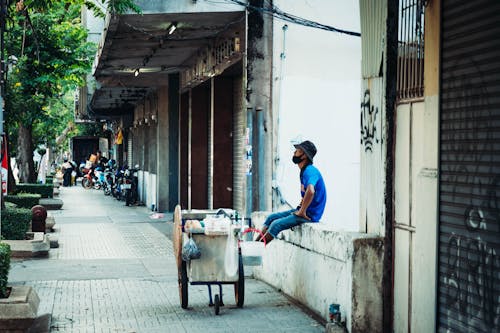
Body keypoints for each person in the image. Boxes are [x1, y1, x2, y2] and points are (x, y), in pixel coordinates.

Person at [258, 140, 327, 244]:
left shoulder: (310, 170)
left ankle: (256, 251)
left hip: (310, 215)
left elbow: (311, 191)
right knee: (270, 218)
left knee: (275, 225)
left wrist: (302, 211)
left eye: (298, 150)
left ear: (304, 155)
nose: (294, 153)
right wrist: (302, 206)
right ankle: (253, 245)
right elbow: (309, 193)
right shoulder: (304, 171)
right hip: (303, 211)